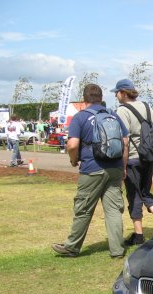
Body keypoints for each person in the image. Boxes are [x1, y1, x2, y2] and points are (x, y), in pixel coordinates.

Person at [52, 84, 129, 258]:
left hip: (92, 168)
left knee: (83, 208)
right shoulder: (113, 115)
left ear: (84, 99)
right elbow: (125, 143)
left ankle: (72, 247)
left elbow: (72, 145)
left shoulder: (80, 117)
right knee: (114, 210)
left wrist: (73, 160)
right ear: (101, 98)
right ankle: (117, 250)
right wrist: (123, 167)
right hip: (115, 167)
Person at [113, 78, 153, 246]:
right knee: (145, 190)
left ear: (123, 93)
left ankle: (138, 235)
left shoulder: (122, 111)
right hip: (148, 157)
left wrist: (122, 166)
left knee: (134, 195)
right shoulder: (148, 107)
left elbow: (124, 140)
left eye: (117, 92)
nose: (116, 95)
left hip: (132, 158)